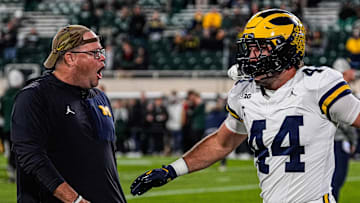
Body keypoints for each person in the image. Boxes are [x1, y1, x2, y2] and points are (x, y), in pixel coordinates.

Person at [130, 9, 360, 203]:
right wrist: (171, 170)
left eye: (260, 48)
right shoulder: (243, 93)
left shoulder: (318, 83)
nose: (251, 56)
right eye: (249, 49)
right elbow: (222, 143)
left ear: (288, 48)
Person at [11, 25, 126, 203]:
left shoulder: (100, 98)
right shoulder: (35, 96)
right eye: (95, 52)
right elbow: (30, 155)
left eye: (101, 51)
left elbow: (105, 163)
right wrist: (74, 200)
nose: (102, 57)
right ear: (70, 58)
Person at [331, 58, 358, 201]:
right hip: (339, 140)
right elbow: (346, 122)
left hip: (331, 140)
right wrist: (353, 141)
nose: (353, 72)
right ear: (343, 72)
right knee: (337, 179)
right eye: (350, 69)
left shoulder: (328, 90)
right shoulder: (341, 92)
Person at [0, 69, 25, 182]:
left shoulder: (5, 97)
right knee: (19, 152)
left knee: (11, 151)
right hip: (19, 128)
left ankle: (12, 171)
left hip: (6, 128)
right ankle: (16, 172)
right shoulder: (22, 94)